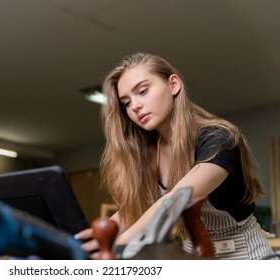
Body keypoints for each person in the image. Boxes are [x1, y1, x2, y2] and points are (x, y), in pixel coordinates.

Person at [75, 52, 275, 260]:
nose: (134, 106)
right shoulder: (148, 152)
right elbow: (133, 210)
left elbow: (177, 198)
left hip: (244, 255)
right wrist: (97, 239)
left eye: (142, 91)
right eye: (126, 102)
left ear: (173, 85)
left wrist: (122, 243)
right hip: (192, 257)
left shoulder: (219, 138)